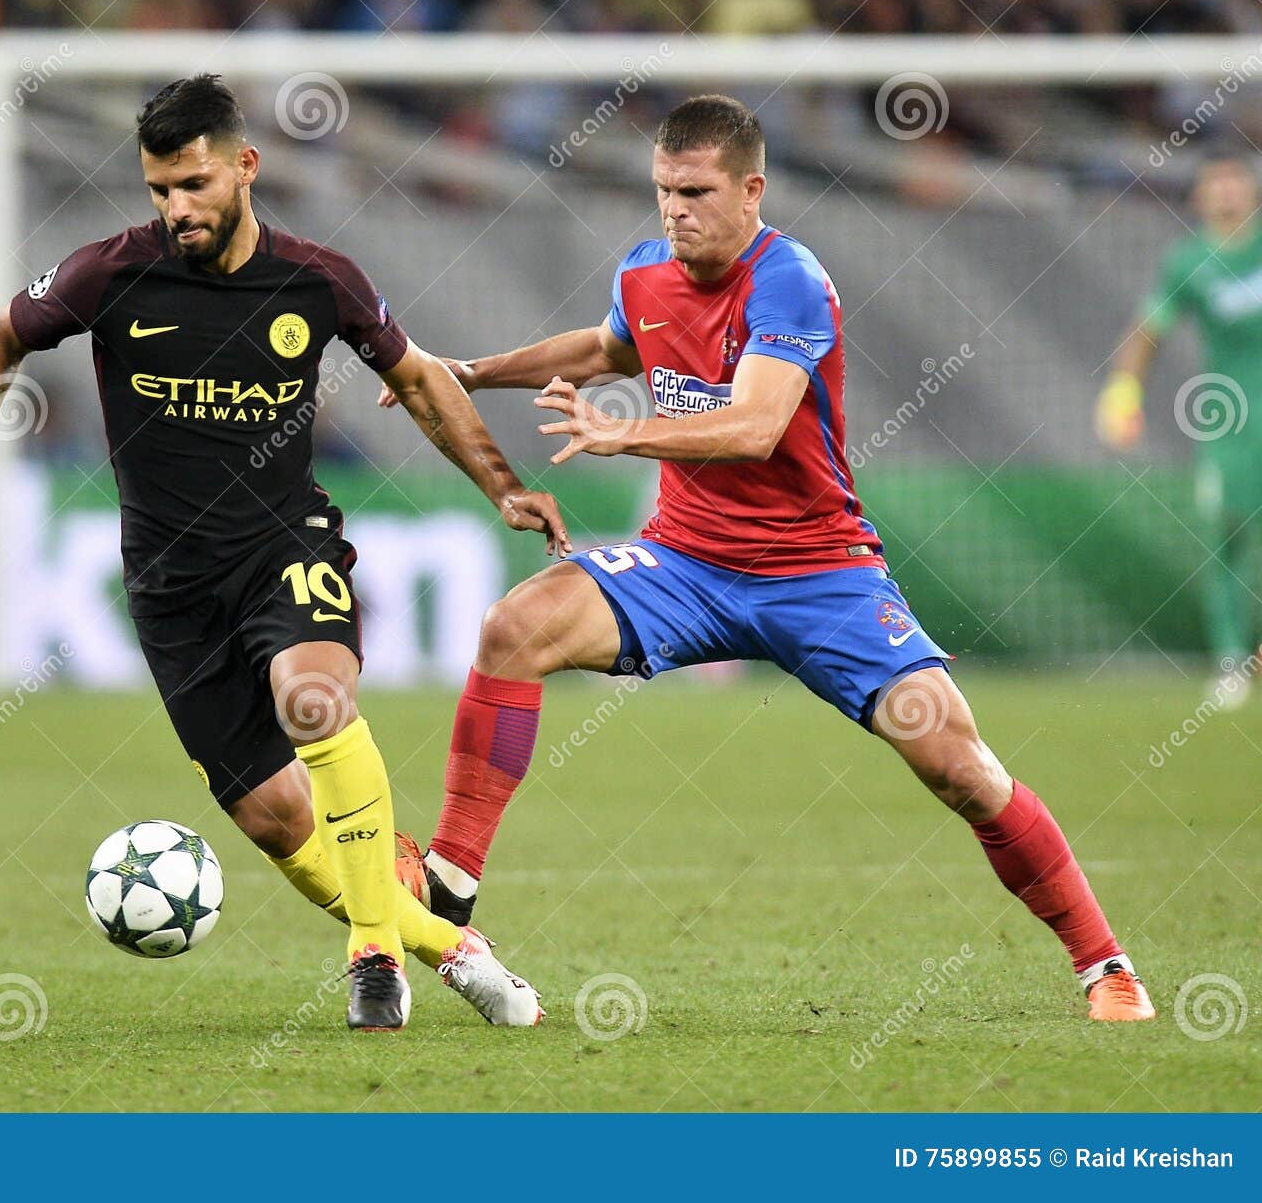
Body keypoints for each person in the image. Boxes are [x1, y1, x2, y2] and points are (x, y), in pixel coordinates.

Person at [385, 94, 1155, 1022]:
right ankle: (452, 887)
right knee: (515, 626)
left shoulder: (788, 279)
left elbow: (754, 427)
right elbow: (604, 347)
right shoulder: (645, 270)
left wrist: (622, 437)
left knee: (957, 763)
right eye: (665, 190)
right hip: (686, 563)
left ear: (752, 189)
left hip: (818, 572)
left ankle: (1105, 964)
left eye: (697, 192)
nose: (676, 210)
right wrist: (466, 372)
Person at [0, 75, 559, 1031]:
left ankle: (375, 954)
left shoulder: (318, 279)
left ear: (245, 167)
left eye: (193, 183)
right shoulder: (110, 274)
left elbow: (421, 382)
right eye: (158, 190)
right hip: (171, 587)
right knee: (278, 820)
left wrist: (503, 485)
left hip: (283, 545)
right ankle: (452, 946)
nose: (176, 208)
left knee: (313, 698)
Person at [1098, 151, 1262, 704]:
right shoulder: (1189, 262)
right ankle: (1231, 663)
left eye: (1236, 180)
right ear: (1200, 196)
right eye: (1216, 183)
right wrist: (1124, 392)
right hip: (1231, 426)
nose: (1227, 193)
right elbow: (1147, 333)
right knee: (1226, 539)